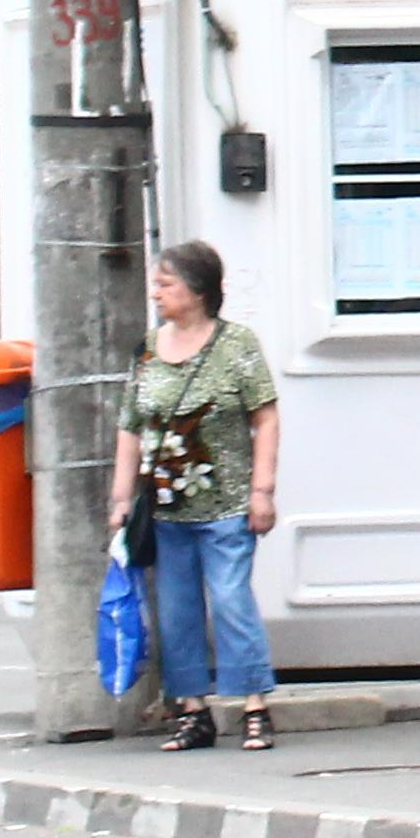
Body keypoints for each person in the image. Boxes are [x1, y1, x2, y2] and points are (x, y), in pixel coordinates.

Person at [109, 240, 281, 751]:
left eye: (166, 284)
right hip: (165, 506)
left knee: (230, 599)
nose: (156, 293)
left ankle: (254, 704)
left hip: (227, 501)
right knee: (178, 609)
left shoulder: (237, 345)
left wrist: (263, 490)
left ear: (199, 291)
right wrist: (120, 498)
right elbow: (129, 426)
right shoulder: (147, 349)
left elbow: (265, 417)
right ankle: (192, 708)